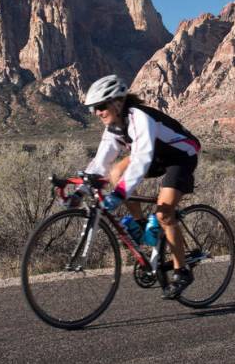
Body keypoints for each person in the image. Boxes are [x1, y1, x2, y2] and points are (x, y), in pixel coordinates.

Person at [82, 74, 201, 299]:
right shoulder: (114, 128)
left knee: (165, 214)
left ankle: (181, 271)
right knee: (115, 171)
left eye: (100, 106)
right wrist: (80, 187)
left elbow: (141, 159)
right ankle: (140, 223)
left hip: (181, 155)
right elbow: (100, 163)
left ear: (117, 102)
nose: (96, 113)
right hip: (155, 157)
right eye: (92, 109)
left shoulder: (140, 117)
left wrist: (118, 195)